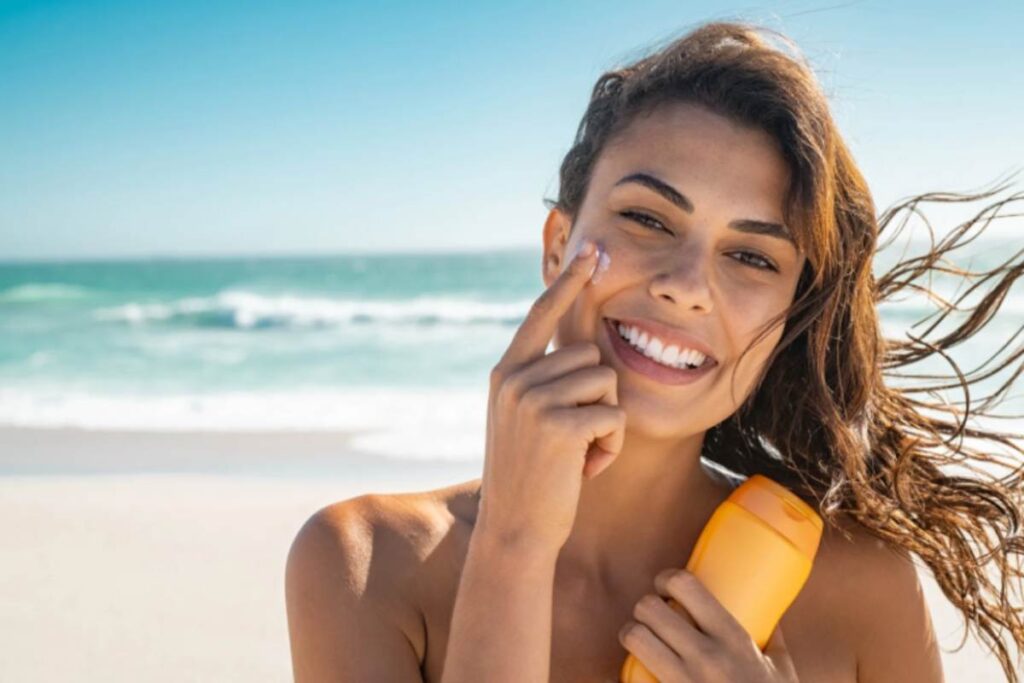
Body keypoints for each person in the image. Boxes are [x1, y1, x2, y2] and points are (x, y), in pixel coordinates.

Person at [285, 20, 1024, 682]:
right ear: (557, 246)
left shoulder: (865, 588)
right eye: (646, 218)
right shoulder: (362, 564)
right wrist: (512, 545)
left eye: (753, 258)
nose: (686, 287)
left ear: (790, 313)